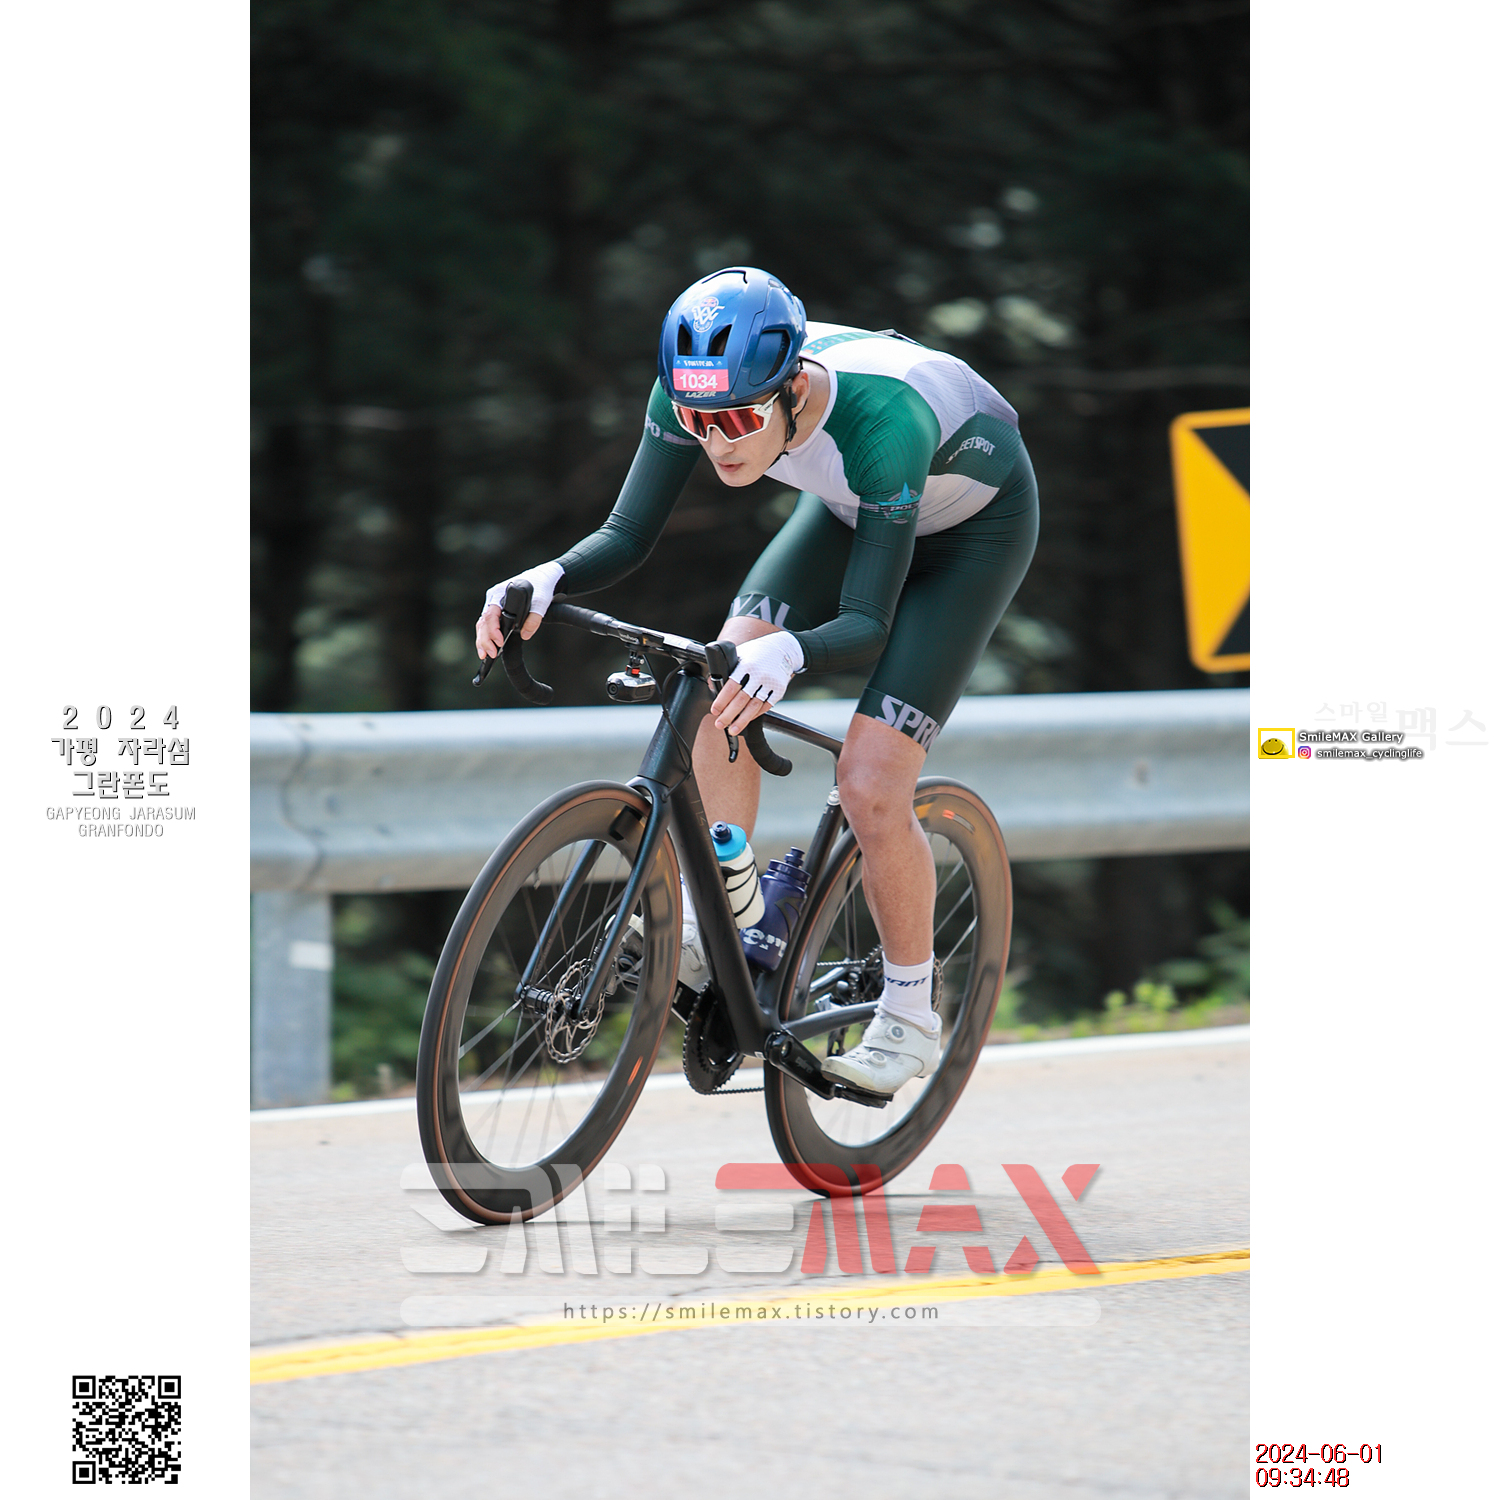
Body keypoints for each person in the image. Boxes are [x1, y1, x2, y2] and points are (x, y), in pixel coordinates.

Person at [476, 266, 1038, 1094]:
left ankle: (911, 1015)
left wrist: (793, 652)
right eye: (698, 422)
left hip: (973, 536)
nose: (718, 443)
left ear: (794, 388)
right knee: (716, 678)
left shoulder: (884, 419)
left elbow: (868, 623)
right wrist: (546, 576)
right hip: (850, 510)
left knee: (870, 783)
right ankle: (724, 919)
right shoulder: (697, 390)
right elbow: (628, 534)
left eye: (739, 420)